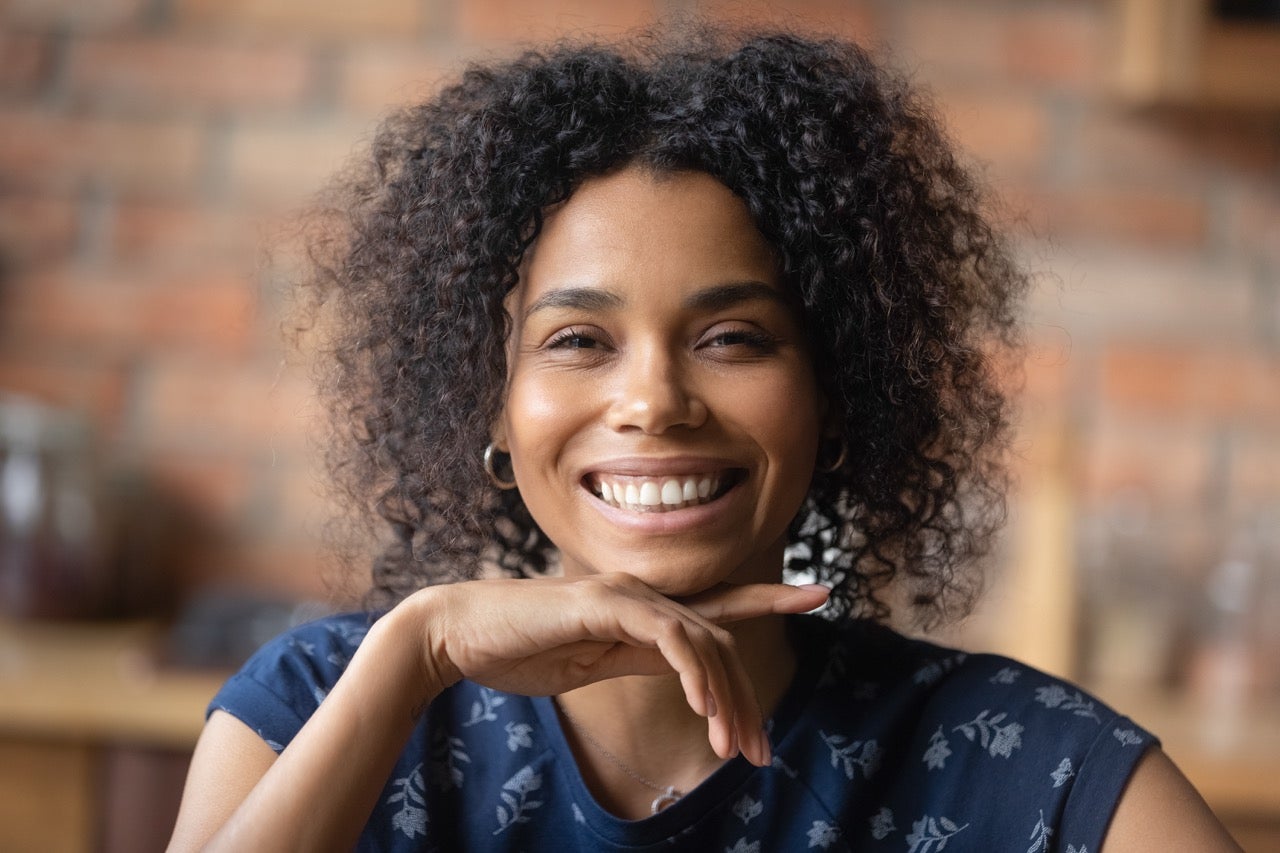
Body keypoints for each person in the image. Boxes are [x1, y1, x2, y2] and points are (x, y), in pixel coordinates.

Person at [168, 26, 1240, 852]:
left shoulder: (1019, 766)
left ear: (833, 397)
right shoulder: (319, 703)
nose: (654, 399)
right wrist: (419, 649)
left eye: (731, 336)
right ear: (488, 409)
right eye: (578, 339)